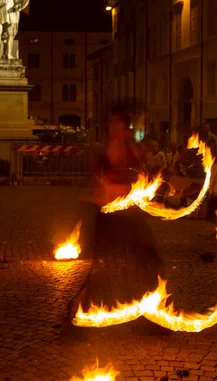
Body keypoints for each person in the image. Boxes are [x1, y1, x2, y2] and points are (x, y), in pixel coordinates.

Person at [67, 109, 165, 333]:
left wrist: (144, 173)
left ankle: (148, 315)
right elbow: (107, 180)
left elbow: (142, 176)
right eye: (113, 125)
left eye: (119, 125)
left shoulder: (132, 149)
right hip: (110, 217)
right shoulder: (107, 151)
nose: (116, 129)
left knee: (148, 261)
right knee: (104, 269)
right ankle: (78, 312)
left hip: (129, 215)